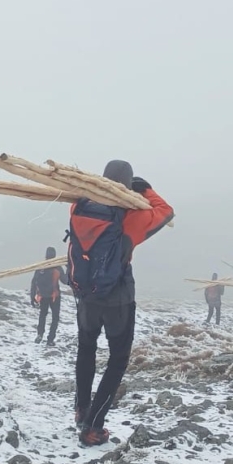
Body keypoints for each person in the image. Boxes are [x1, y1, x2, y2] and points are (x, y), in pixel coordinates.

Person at [68, 160, 175, 446]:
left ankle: (81, 409)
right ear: (127, 187)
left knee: (86, 350)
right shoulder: (132, 218)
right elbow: (165, 212)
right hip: (118, 299)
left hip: (86, 296)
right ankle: (93, 426)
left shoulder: (78, 207)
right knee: (117, 361)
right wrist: (146, 189)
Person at [29, 246, 68, 345]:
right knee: (55, 318)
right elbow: (65, 281)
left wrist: (32, 296)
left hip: (43, 296)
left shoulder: (41, 267)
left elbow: (34, 282)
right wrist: (69, 268)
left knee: (43, 315)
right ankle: (50, 339)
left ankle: (40, 335)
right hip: (55, 296)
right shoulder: (57, 267)